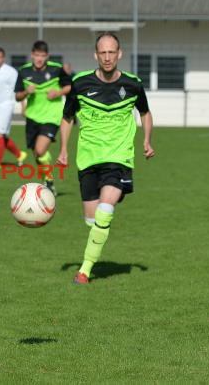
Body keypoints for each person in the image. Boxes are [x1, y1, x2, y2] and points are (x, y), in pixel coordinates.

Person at [57, 32, 155, 285]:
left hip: (119, 158)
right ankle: (102, 225)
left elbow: (145, 113)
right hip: (88, 159)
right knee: (92, 220)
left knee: (104, 211)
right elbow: (67, 118)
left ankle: (84, 271)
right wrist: (64, 149)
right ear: (96, 55)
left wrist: (146, 140)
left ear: (119, 54)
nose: (108, 57)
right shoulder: (80, 83)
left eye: (112, 52)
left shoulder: (133, 84)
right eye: (103, 52)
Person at [15, 40, 71, 195]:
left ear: (47, 56)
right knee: (37, 154)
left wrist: (58, 93)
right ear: (32, 55)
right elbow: (18, 96)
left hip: (52, 116)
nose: (39, 58)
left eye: (43, 56)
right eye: (37, 55)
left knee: (40, 150)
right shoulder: (23, 71)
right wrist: (27, 92)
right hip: (32, 117)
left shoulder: (56, 69)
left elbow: (69, 86)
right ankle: (49, 181)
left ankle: (48, 180)